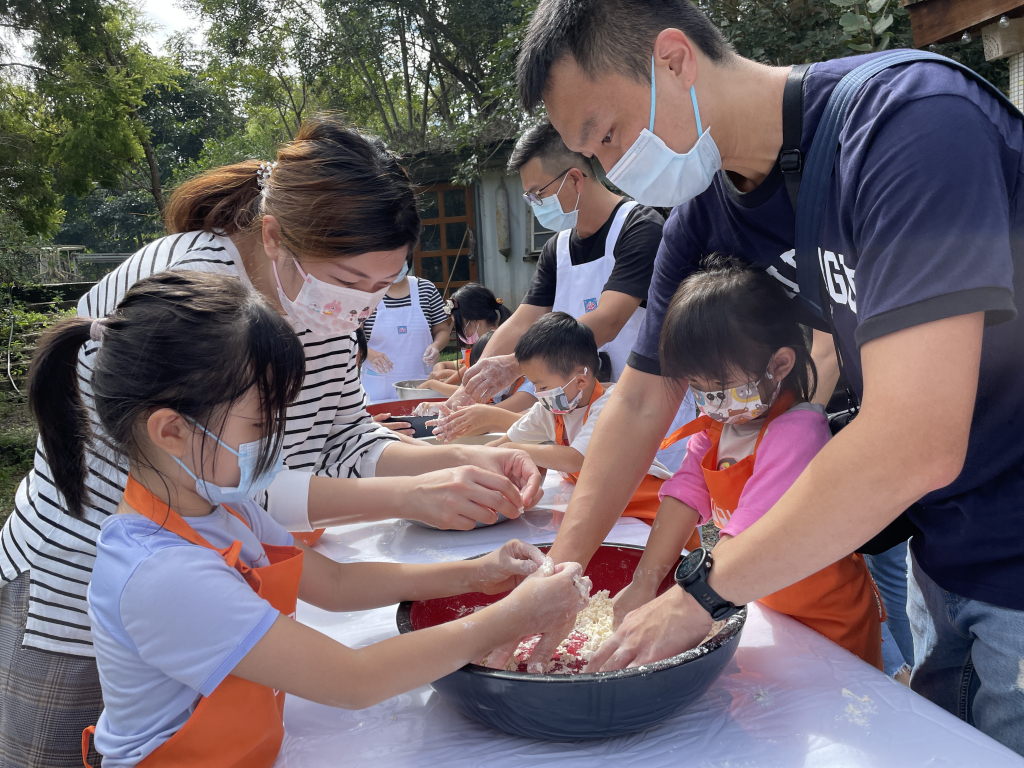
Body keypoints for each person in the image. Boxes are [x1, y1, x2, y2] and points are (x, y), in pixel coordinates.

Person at [516, 0, 1024, 753]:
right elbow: (637, 402)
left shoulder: (910, 127)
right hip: (945, 550)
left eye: (608, 136)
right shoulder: (706, 220)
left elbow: (916, 437)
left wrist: (700, 593)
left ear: (674, 60)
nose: (612, 169)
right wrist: (558, 580)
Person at [0, 115, 542, 767]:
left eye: (382, 286)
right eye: (351, 280)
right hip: (72, 588)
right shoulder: (197, 302)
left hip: (208, 575)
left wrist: (457, 460)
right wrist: (417, 497)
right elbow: (228, 475)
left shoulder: (323, 307)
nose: (364, 308)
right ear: (275, 237)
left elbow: (341, 441)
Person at [22, 271, 585, 768]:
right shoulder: (161, 574)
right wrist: (514, 615)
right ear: (171, 430)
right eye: (260, 422)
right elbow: (352, 680)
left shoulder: (222, 505)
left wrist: (477, 573)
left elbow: (333, 583)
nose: (275, 439)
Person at [610, 256, 883, 669]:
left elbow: (749, 529)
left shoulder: (797, 433)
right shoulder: (716, 427)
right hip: (767, 599)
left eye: (720, 386)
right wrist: (644, 581)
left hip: (828, 619)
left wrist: (688, 605)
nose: (711, 402)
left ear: (779, 365)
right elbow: (684, 495)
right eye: (698, 388)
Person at [449, 121, 695, 469]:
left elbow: (608, 320)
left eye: (538, 194)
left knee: (653, 512)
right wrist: (474, 383)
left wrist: (516, 364)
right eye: (528, 198)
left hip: (651, 410)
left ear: (576, 179)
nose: (534, 205)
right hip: (583, 416)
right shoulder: (557, 249)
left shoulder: (640, 227)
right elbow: (521, 322)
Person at [360, 256, 453, 402]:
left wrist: (436, 346)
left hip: (421, 380)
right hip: (379, 385)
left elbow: (442, 330)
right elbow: (351, 335)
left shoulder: (426, 289)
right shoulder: (367, 293)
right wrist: (370, 353)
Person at [418, 331, 537, 436]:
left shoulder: (531, 388)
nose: (483, 379)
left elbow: (487, 417)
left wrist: (433, 385)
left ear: (506, 365)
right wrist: (443, 406)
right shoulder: (498, 393)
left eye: (488, 373)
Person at [429, 283, 510, 384]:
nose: (459, 331)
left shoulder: (494, 343)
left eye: (460, 325)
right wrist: (446, 382)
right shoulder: (490, 340)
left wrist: (433, 384)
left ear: (476, 321)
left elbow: (470, 385)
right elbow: (467, 370)